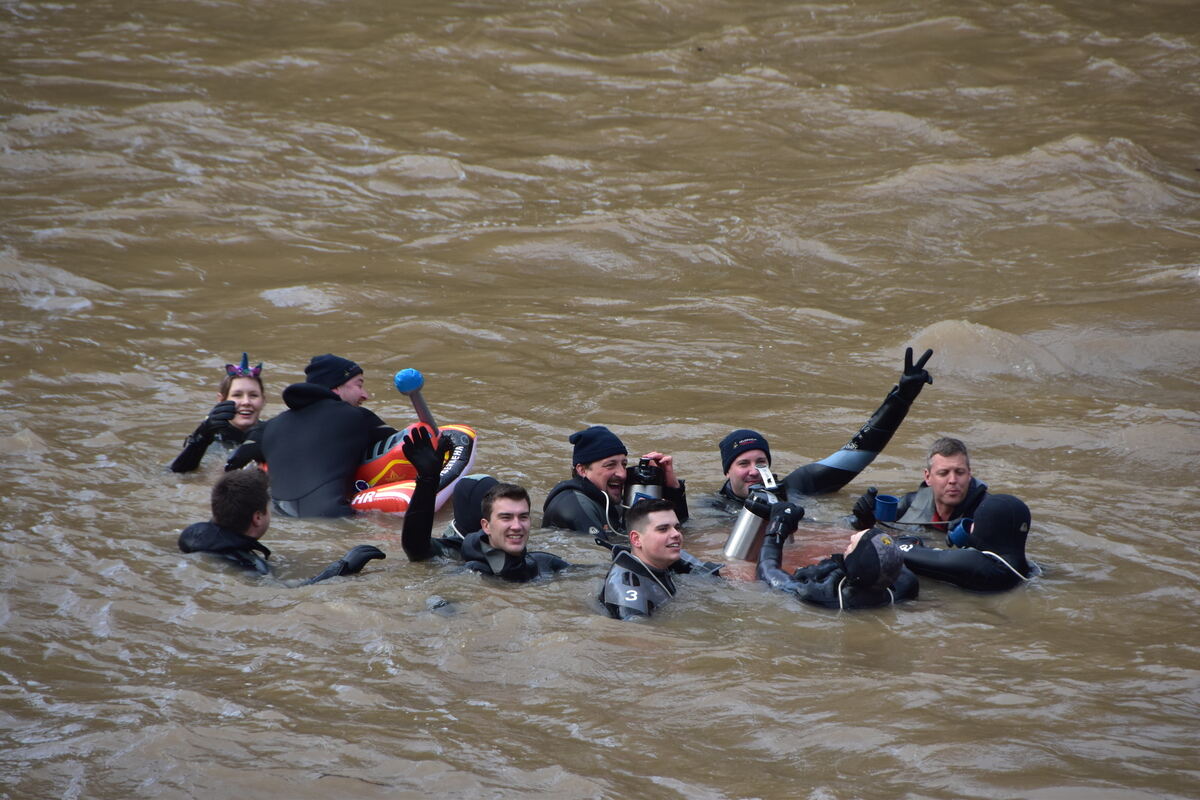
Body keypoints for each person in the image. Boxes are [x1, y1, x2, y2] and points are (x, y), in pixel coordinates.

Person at [714, 347, 935, 511]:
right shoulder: (712, 509)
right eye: (743, 463)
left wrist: (902, 397)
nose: (754, 471)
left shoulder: (796, 487)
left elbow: (859, 451)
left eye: (760, 462)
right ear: (727, 471)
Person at [225, 354, 397, 518]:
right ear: (336, 388)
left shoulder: (268, 427)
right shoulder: (359, 417)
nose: (364, 395)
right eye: (359, 385)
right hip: (335, 521)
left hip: (281, 522)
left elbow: (232, 464)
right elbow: (405, 445)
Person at [399, 428, 570, 582]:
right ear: (485, 524)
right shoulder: (455, 555)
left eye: (523, 516)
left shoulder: (537, 559)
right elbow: (416, 546)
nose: (516, 526)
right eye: (505, 516)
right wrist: (427, 482)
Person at [178, 468, 385, 584]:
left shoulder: (193, 536)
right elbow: (283, 594)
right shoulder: (250, 565)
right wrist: (342, 568)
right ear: (257, 518)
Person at [757, 503, 918, 609]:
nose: (851, 537)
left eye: (852, 544)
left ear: (855, 563)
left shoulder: (818, 594)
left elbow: (767, 570)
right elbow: (882, 557)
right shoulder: (905, 584)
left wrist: (777, 527)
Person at [543, 425, 689, 542]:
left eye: (624, 464)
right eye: (610, 465)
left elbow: (681, 531)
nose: (622, 474)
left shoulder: (606, 497)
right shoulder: (574, 505)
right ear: (582, 470)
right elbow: (603, 558)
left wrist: (671, 487)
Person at [599, 498, 720, 620]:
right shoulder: (627, 590)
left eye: (677, 527)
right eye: (663, 529)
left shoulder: (666, 557)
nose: (676, 534)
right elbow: (634, 635)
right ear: (636, 539)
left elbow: (722, 573)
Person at [897, 493, 1034, 592]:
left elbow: (901, 550)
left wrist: (909, 538)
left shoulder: (975, 563)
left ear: (987, 528)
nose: (971, 525)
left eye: (975, 521)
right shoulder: (1026, 567)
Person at [848, 436, 988, 532]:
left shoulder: (988, 512)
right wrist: (863, 521)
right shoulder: (911, 503)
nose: (952, 480)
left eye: (960, 472)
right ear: (928, 477)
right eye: (943, 473)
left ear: (969, 474)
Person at [170, 353, 266, 473]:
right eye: (237, 395)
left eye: (253, 395)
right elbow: (175, 474)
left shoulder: (272, 433)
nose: (246, 402)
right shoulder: (208, 436)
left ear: (263, 400)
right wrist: (202, 437)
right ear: (221, 400)